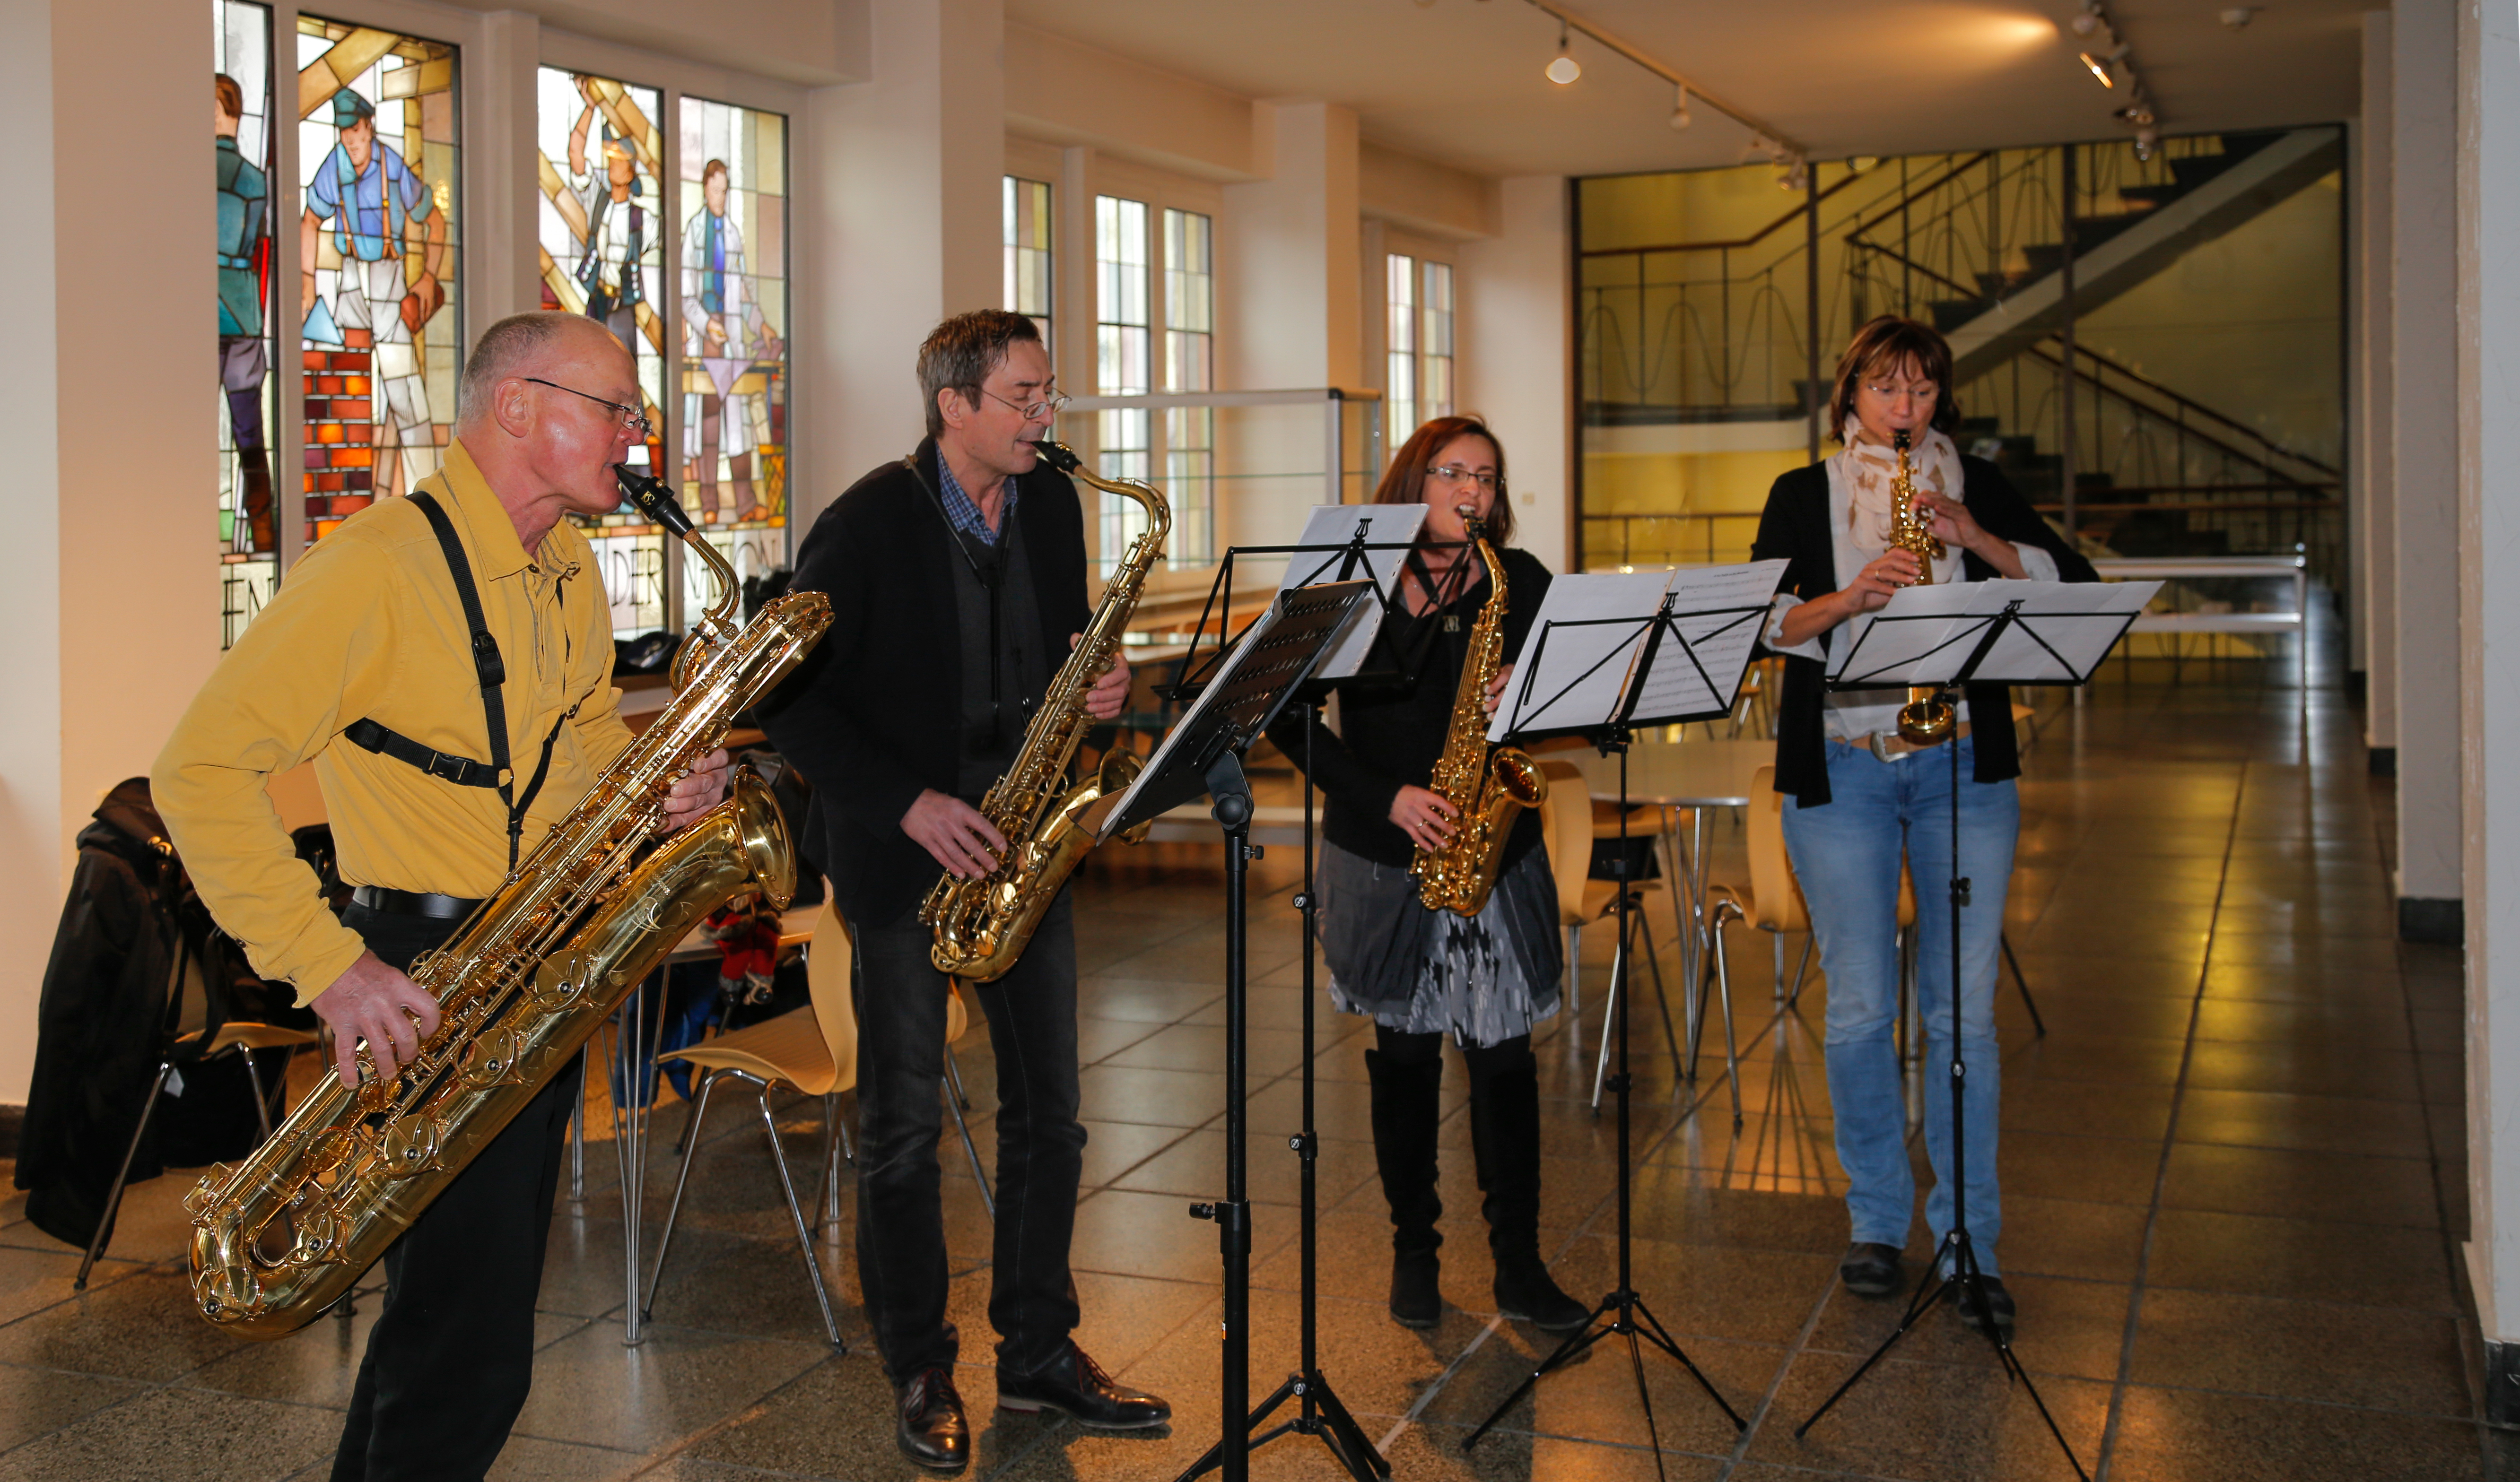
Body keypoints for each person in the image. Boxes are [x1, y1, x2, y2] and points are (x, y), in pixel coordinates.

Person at [153, 311, 730, 1481]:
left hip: (524, 955)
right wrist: (328, 964)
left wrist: (656, 784)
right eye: (615, 409)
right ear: (516, 406)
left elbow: (569, 751)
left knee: (453, 1327)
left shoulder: (565, 565)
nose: (635, 434)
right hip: (413, 965)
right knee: (463, 1342)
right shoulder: (372, 568)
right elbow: (196, 770)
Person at [759, 309, 1167, 1473]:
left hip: (1025, 843)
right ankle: (919, 1364)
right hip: (905, 857)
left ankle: (1037, 1349)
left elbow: (1068, 650)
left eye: (1050, 393)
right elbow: (789, 698)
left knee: (1052, 1114)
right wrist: (908, 803)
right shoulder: (866, 524)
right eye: (1025, 396)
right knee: (902, 1125)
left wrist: (1101, 684)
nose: (1047, 415)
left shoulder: (1051, 503)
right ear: (954, 405)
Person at [1750, 315, 2096, 1340]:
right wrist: (1848, 596)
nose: (1904, 408)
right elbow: (1762, 623)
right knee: (1860, 1007)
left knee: (1963, 1018)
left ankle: (1968, 1240)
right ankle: (1875, 1221)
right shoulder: (1798, 493)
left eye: (1922, 390)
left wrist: (1975, 538)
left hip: (1960, 767)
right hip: (1842, 766)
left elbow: (2072, 587)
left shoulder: (1972, 481)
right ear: (1850, 395)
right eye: (1885, 388)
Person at [1265, 415, 1588, 1335]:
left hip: (1493, 853)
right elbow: (1285, 718)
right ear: (1413, 479)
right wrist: (1387, 799)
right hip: (1383, 852)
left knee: (1504, 1064)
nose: (1471, 490)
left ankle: (1519, 1265)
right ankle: (1414, 1249)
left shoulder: (1518, 581)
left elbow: (1575, 702)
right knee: (1403, 1060)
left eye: (1485, 477)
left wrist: (1529, 693)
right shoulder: (1352, 581)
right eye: (1452, 472)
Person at [302, 85, 447, 500]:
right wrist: (307, 284)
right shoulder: (335, 166)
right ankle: (345, 494)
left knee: (404, 390)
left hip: (387, 278)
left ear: (369, 127)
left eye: (356, 130)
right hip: (351, 280)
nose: (350, 141)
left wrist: (428, 278)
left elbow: (435, 221)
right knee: (340, 379)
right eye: (343, 132)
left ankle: (428, 499)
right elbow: (309, 221)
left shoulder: (392, 166)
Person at [680, 158, 781, 524]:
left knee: (738, 427)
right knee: (709, 423)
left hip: (733, 335)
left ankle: (744, 502)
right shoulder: (693, 232)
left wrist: (762, 326)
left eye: (725, 191)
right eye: (715, 190)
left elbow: (744, 295)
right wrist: (707, 325)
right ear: (705, 190)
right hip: (707, 334)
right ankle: (708, 501)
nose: (720, 197)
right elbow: (685, 295)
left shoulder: (733, 235)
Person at [215, 71, 273, 554]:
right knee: (250, 434)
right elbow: (259, 247)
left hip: (209, 307)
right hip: (246, 312)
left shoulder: (197, 172)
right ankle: (265, 533)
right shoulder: (255, 179)